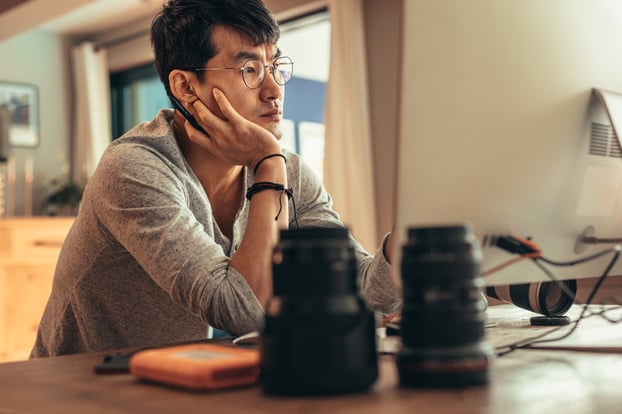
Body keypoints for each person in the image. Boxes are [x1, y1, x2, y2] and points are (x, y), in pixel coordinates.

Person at [31, 0, 401, 358]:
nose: (274, 90)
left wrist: (406, 235)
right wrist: (269, 166)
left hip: (197, 384)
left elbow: (362, 293)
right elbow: (245, 312)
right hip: (83, 390)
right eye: (250, 70)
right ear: (186, 88)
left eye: (275, 66)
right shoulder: (133, 168)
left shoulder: (287, 169)